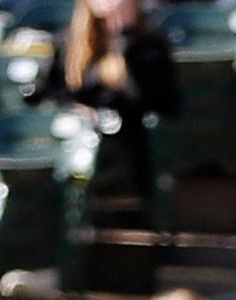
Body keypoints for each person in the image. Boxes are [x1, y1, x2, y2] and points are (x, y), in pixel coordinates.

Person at [28, 0, 180, 202]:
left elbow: (151, 98)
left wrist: (125, 37)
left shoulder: (150, 46)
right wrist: (76, 111)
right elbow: (42, 97)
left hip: (130, 145)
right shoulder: (67, 44)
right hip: (76, 141)